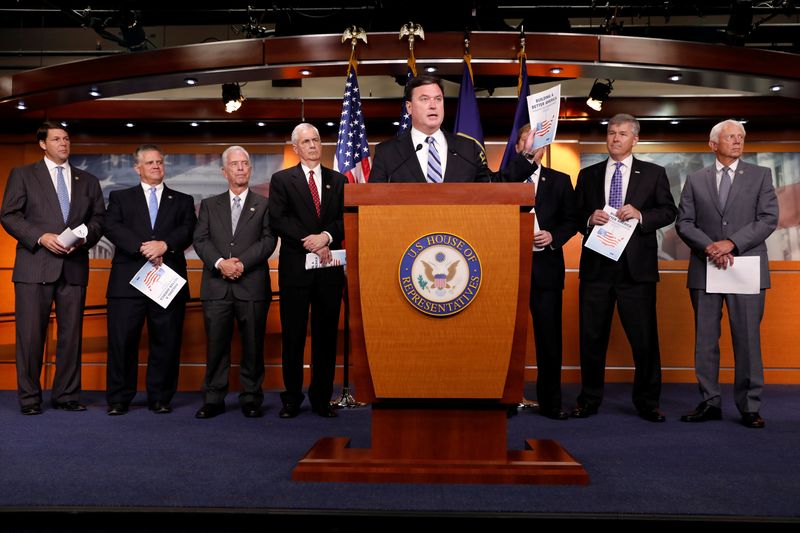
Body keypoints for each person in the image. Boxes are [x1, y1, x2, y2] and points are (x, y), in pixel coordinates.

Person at [572, 113, 677, 422]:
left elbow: (669, 210)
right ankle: (589, 400)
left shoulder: (654, 173)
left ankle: (647, 402)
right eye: (611, 133)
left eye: (622, 134)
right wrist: (589, 219)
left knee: (644, 340)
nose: (615, 138)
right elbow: (575, 214)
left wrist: (642, 214)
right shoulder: (588, 175)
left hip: (636, 270)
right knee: (592, 339)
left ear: (635, 139)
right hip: (597, 268)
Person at [675, 119, 778, 429]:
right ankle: (709, 402)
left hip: (745, 267)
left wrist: (731, 243)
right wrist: (711, 247)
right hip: (706, 267)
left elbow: (768, 218)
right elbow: (684, 223)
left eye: (741, 136)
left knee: (747, 339)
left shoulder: (761, 176)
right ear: (713, 144)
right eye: (731, 137)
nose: (737, 141)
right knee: (705, 340)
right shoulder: (695, 179)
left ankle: (749, 406)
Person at [0, 121, 105, 415]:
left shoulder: (88, 180)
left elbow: (99, 219)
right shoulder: (23, 175)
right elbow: (9, 214)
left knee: (71, 337)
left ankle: (67, 395)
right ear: (43, 144)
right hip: (34, 267)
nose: (63, 143)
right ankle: (30, 399)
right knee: (30, 337)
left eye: (67, 138)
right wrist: (40, 236)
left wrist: (84, 237)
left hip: (73, 267)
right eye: (57, 139)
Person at [103, 144, 196, 416]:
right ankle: (119, 399)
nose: (156, 166)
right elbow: (111, 226)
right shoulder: (120, 197)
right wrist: (143, 247)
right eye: (150, 162)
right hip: (127, 282)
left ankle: (161, 397)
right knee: (122, 342)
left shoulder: (182, 200)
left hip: (167, 282)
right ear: (137, 168)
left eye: (160, 162)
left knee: (166, 342)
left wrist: (164, 245)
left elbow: (188, 229)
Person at [268, 123, 347, 418]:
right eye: (306, 141)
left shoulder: (338, 180)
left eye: (316, 140)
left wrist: (326, 237)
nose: (313, 145)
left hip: (329, 270)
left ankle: (321, 398)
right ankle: (291, 399)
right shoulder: (281, 180)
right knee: (294, 335)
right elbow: (279, 219)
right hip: (296, 270)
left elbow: (344, 218)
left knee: (326, 336)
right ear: (295, 148)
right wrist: (311, 242)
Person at [192, 146, 276, 419]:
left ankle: (251, 397)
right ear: (224, 171)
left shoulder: (265, 204)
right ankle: (214, 398)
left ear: (250, 169)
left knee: (253, 346)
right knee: (216, 346)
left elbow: (268, 240)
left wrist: (240, 263)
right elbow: (200, 240)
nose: (240, 168)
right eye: (235, 164)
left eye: (245, 164)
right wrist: (220, 264)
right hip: (217, 287)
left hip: (252, 286)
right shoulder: (209, 204)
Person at [507, 124, 578, 420]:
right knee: (508, 340)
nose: (532, 145)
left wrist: (553, 236)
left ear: (545, 147)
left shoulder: (560, 181)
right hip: (509, 270)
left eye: (537, 141)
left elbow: (572, 219)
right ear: (519, 146)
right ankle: (507, 400)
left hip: (546, 270)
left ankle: (551, 402)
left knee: (549, 339)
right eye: (526, 140)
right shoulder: (503, 179)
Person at [370, 75, 537, 183]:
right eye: (424, 99)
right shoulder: (387, 153)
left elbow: (493, 186)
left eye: (438, 99)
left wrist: (528, 155)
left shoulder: (467, 148)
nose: (433, 105)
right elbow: (373, 201)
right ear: (409, 107)